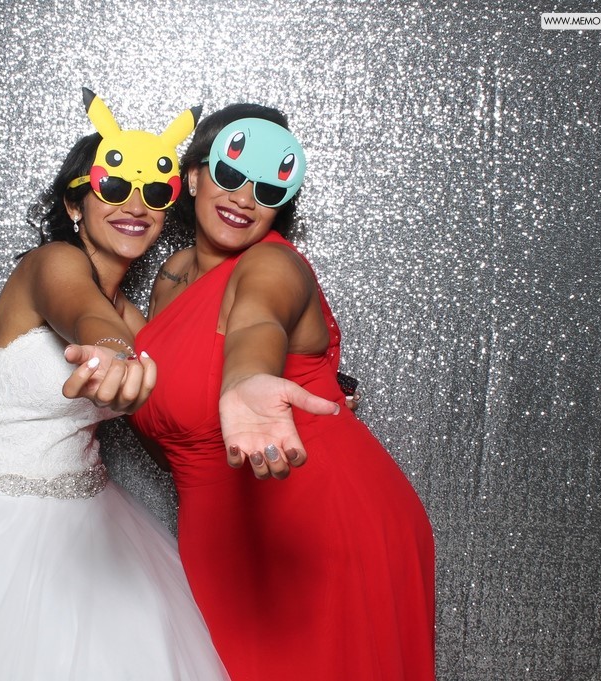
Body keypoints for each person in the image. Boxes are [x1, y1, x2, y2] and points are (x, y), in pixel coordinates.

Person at [0, 90, 228, 680]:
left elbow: (188, 389)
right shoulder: (50, 263)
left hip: (100, 524)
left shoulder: (133, 315)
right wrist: (112, 353)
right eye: (114, 188)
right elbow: (86, 314)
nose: (136, 206)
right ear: (75, 204)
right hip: (5, 528)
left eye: (155, 194)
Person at [127, 105, 436, 680]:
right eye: (230, 175)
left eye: (268, 188)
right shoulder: (171, 276)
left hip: (319, 521)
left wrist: (246, 379)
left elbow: (257, 322)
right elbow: (173, 420)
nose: (245, 198)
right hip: (220, 537)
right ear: (192, 177)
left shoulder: (272, 265)